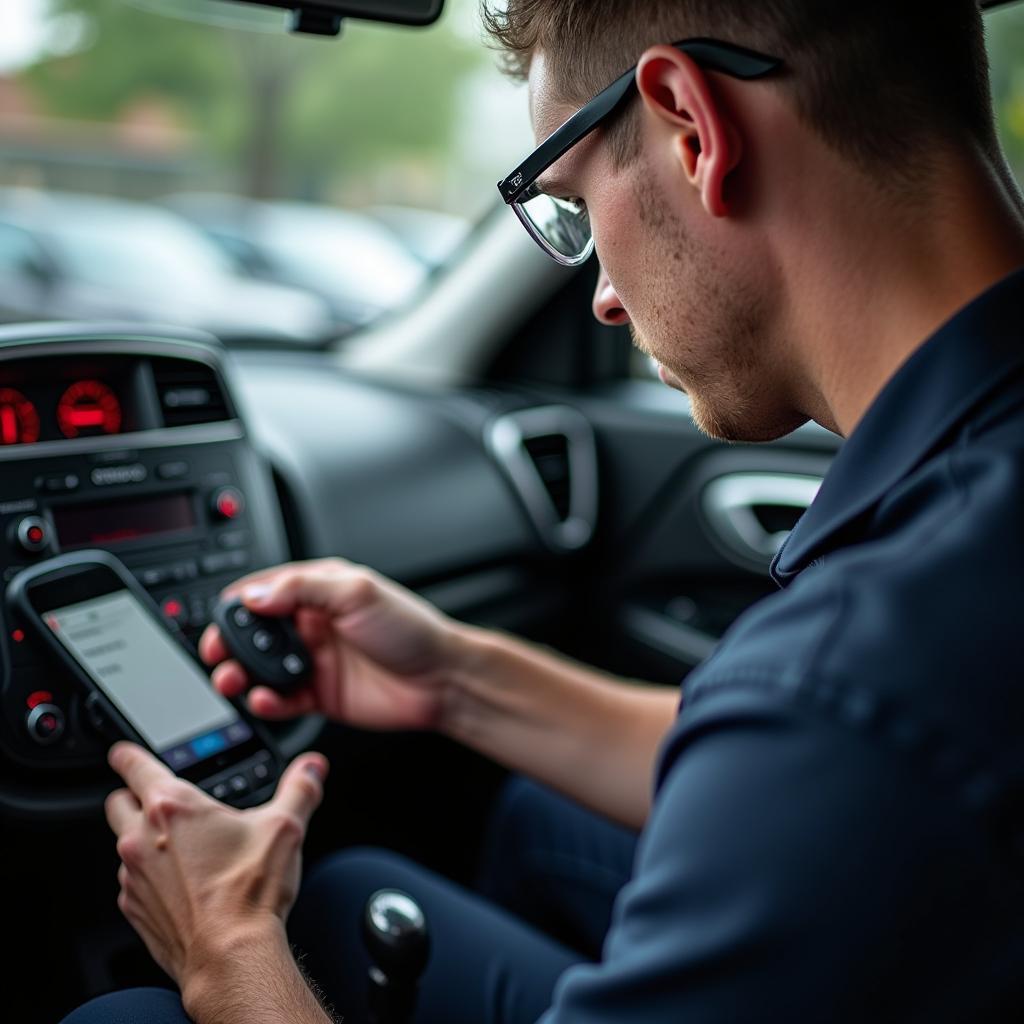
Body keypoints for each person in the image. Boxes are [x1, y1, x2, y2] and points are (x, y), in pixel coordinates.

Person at [62, 1, 1024, 1021]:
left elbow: (817, 739)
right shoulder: (945, 549)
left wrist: (226, 942)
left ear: (691, 127)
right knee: (373, 885)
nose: (602, 295)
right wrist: (455, 678)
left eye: (568, 198)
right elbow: (794, 771)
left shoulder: (847, 682)